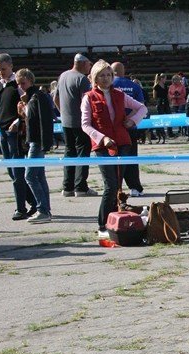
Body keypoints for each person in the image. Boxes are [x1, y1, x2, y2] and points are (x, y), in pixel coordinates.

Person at [81, 59, 147, 238]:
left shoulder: (119, 94)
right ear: (95, 77)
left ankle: (113, 222)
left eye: (108, 75)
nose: (106, 79)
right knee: (110, 185)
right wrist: (102, 138)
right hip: (103, 146)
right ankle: (102, 225)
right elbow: (85, 125)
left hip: (123, 143)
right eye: (102, 76)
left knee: (117, 185)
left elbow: (142, 108)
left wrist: (132, 121)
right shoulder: (88, 97)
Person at [0, 53, 36, 220]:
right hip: (2, 132)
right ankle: (34, 201)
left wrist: (18, 120)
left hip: (15, 132)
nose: (1, 72)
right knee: (11, 172)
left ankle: (21, 208)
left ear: (11, 66)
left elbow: (26, 105)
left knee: (17, 172)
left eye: (3, 69)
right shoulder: (0, 86)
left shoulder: (18, 84)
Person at [54, 53, 96, 197]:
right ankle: (81, 187)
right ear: (83, 63)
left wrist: (63, 112)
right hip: (80, 123)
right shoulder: (82, 79)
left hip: (66, 121)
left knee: (69, 152)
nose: (90, 67)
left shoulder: (63, 76)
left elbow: (55, 98)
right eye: (89, 64)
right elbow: (87, 103)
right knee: (83, 153)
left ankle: (67, 187)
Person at [16, 69, 54, 224]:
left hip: (37, 141)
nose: (20, 85)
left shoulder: (37, 96)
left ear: (30, 80)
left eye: (23, 82)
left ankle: (43, 210)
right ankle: (45, 209)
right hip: (36, 140)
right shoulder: (33, 97)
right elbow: (32, 119)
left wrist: (46, 143)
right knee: (39, 175)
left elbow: (43, 120)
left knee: (30, 175)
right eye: (19, 83)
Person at [111, 62, 146, 197]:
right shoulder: (134, 86)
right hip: (130, 127)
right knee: (131, 157)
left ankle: (115, 188)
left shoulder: (109, 86)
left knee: (114, 159)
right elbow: (141, 106)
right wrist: (129, 119)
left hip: (113, 129)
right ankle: (135, 187)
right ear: (123, 72)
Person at [152, 73, 169, 142]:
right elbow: (154, 96)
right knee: (160, 118)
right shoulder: (156, 86)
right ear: (162, 78)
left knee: (168, 116)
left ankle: (169, 132)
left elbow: (167, 94)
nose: (165, 80)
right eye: (165, 78)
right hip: (160, 102)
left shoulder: (165, 85)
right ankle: (161, 133)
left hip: (166, 102)